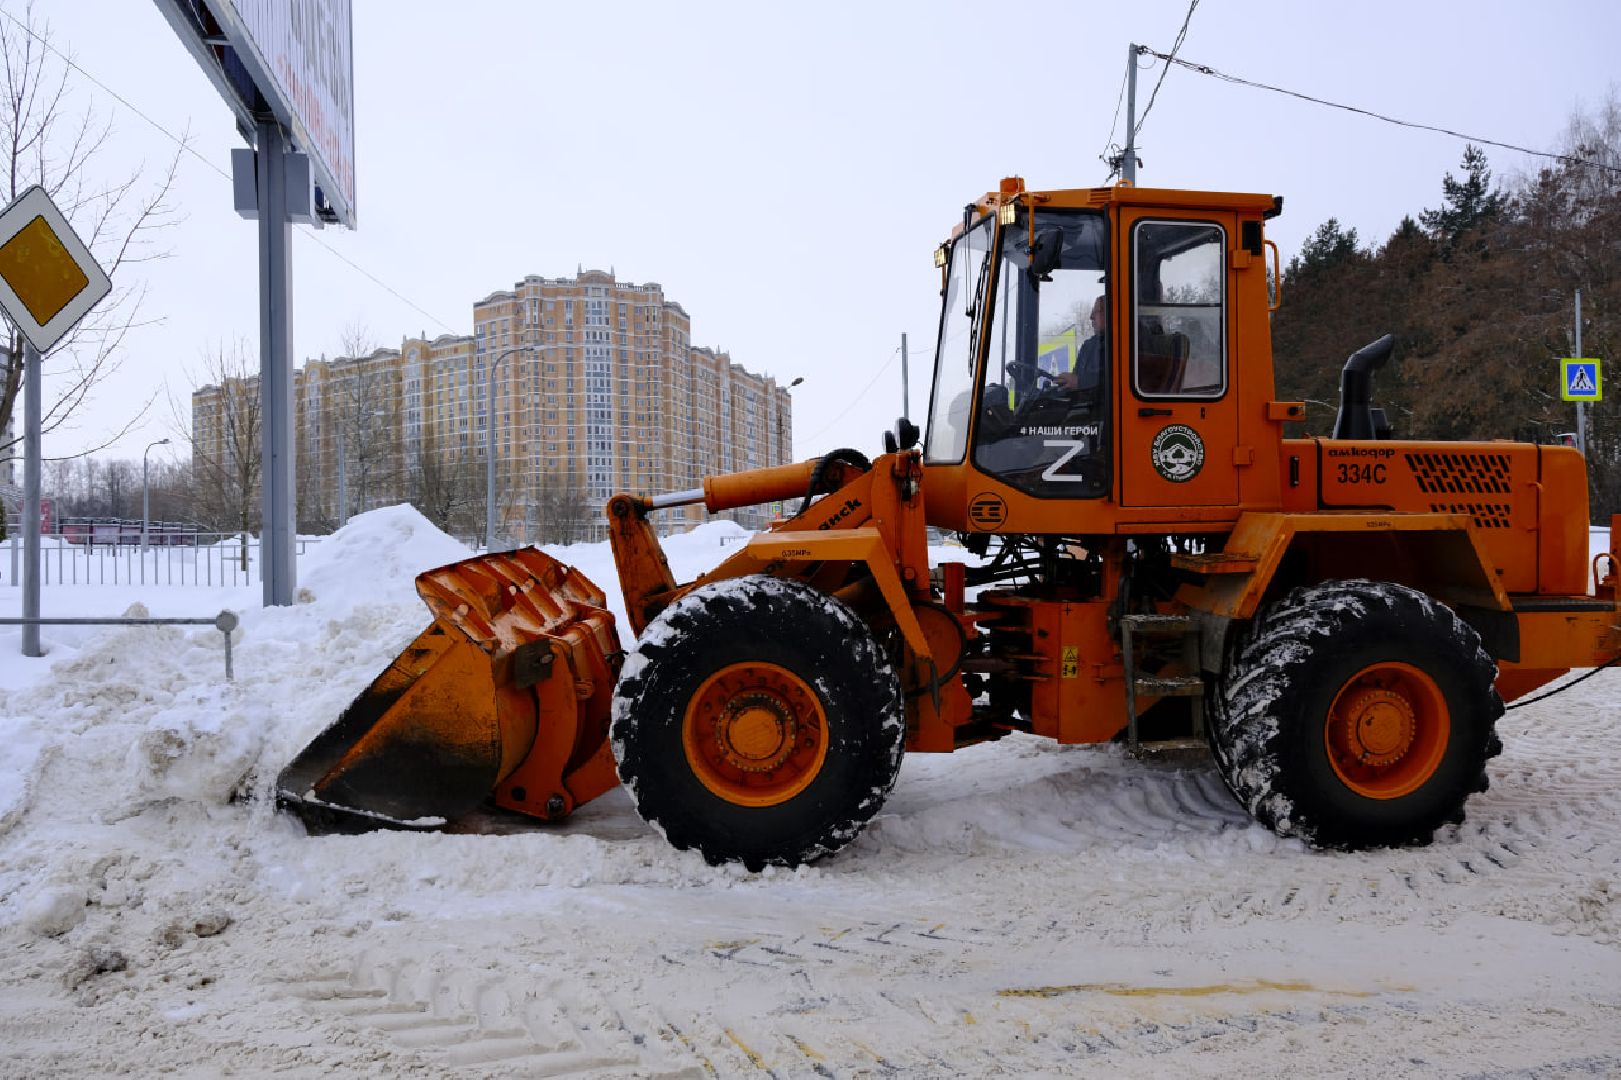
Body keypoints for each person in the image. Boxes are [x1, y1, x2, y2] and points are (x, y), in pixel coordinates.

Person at [1055, 295, 1104, 395]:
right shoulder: (1089, 346)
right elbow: (1077, 376)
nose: (1091, 317)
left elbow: (1116, 377)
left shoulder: (1126, 344)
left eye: (1096, 311)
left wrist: (1079, 382)